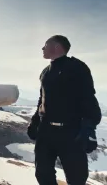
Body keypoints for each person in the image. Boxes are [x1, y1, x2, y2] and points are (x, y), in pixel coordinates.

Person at [27, 35, 102, 185]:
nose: (42, 48)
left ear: (56, 47)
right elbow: (41, 100)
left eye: (45, 44)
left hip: (71, 133)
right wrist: (34, 123)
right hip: (46, 131)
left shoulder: (77, 67)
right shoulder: (45, 72)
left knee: (77, 177)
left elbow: (88, 98)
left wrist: (89, 128)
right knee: (42, 173)